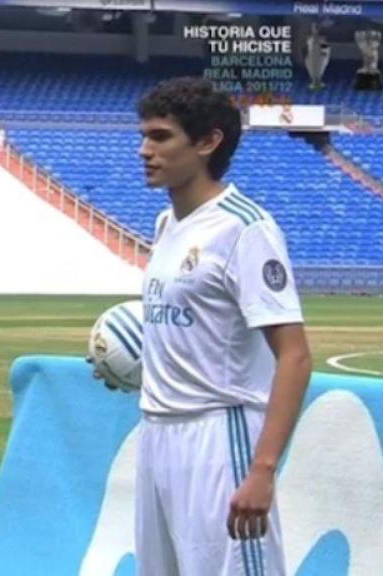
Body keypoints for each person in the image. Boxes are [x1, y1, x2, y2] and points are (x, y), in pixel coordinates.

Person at [97, 77, 313, 575]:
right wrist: (127, 364)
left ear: (208, 142)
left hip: (219, 438)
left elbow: (295, 356)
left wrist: (262, 470)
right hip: (157, 434)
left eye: (160, 137)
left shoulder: (244, 228)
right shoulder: (166, 225)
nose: (144, 150)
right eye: (144, 136)